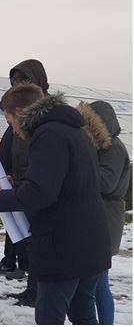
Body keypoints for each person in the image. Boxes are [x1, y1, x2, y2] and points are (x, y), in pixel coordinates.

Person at [0, 84, 111, 324]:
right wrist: (20, 185)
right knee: (83, 315)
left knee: (48, 317)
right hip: (91, 242)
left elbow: (40, 194)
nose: (14, 131)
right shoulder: (73, 130)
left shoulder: (47, 135)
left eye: (10, 123)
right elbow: (61, 183)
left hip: (64, 246)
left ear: (20, 113)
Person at [0, 59, 50, 306]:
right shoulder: (22, 119)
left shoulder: (44, 118)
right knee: (29, 243)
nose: (17, 84)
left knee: (38, 245)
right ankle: (32, 289)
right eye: (13, 81)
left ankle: (39, 292)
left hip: (35, 190)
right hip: (22, 185)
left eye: (22, 80)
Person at [77, 100, 130, 324]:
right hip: (100, 216)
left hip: (106, 218)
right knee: (95, 281)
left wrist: (77, 170)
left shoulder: (113, 148)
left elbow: (106, 182)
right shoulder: (101, 147)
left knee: (99, 282)